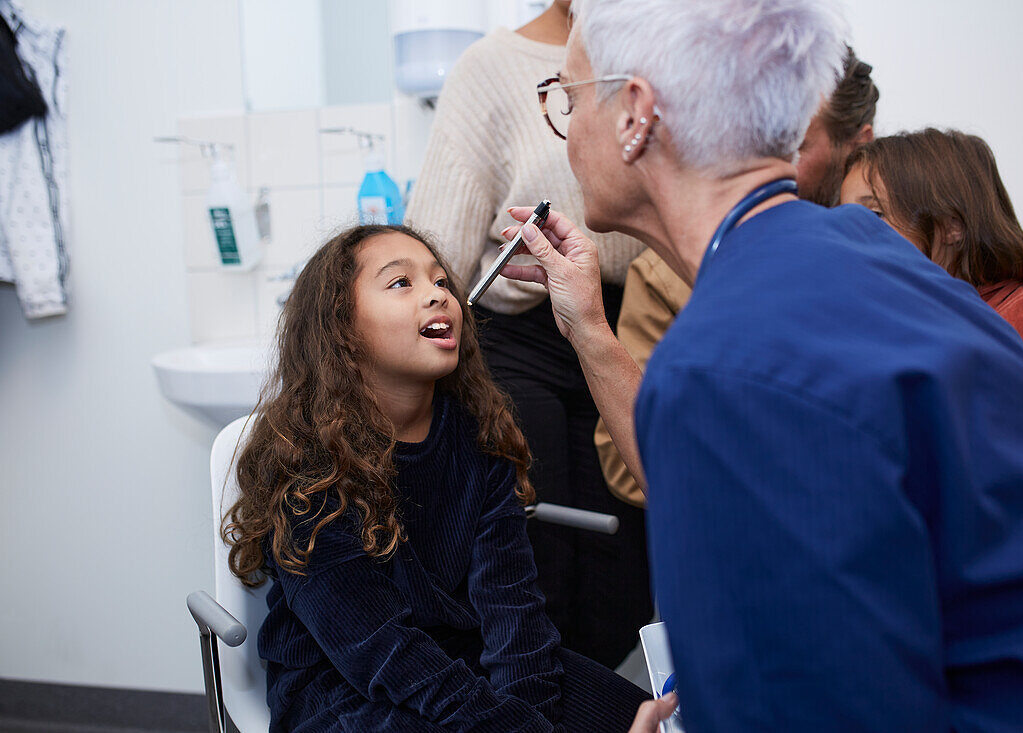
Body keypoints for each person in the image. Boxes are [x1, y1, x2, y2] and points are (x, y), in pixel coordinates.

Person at [496, 0, 1023, 730]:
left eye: (567, 97)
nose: (562, 132)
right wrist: (589, 325)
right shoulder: (870, 255)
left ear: (634, 114)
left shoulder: (723, 364)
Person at [221, 224, 649, 732]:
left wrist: (529, 713)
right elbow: (376, 648)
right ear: (340, 326)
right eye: (401, 283)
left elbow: (514, 616)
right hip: (342, 687)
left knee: (635, 718)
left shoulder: (482, 438)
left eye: (442, 281)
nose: (437, 294)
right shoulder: (309, 462)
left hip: (462, 666)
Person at [404, 0, 653, 669]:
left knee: (625, 576)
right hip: (523, 339)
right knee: (538, 567)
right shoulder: (491, 69)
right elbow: (437, 245)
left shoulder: (653, 55)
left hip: (630, 322)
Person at [595, 47, 879, 506]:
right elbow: (624, 463)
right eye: (764, 140)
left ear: (858, 144)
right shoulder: (663, 273)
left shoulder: (900, 260)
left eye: (797, 144)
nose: (773, 164)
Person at [840, 128, 1023, 422]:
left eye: (874, 214)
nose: (846, 232)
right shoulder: (868, 326)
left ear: (952, 226)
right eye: (841, 216)